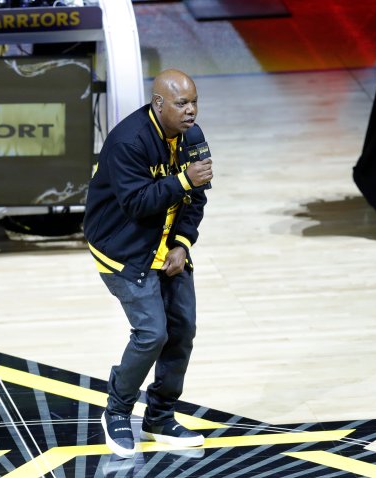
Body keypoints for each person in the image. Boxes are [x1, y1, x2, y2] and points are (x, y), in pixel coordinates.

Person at [83, 69, 213, 458]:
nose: (191, 111)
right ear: (159, 103)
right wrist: (184, 182)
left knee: (182, 329)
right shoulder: (129, 142)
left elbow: (198, 198)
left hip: (166, 247)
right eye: (181, 103)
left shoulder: (193, 138)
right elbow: (137, 204)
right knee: (151, 333)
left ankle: (160, 416)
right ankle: (117, 412)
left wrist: (182, 243)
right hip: (122, 247)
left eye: (194, 102)